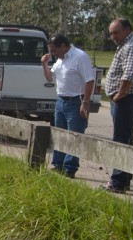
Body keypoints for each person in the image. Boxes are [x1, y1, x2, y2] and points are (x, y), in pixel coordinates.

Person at [102, 18, 133, 193]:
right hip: (126, 100)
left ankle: (118, 182)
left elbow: (129, 75)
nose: (113, 36)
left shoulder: (131, 47)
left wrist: (118, 95)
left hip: (127, 100)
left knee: (121, 140)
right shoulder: (127, 45)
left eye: (116, 32)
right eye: (111, 33)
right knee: (127, 139)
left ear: (128, 30)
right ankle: (125, 178)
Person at [41, 34, 96, 178]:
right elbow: (49, 77)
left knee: (74, 136)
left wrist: (85, 102)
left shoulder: (80, 57)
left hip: (76, 101)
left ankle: (70, 168)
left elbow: (90, 81)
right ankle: (58, 164)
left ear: (64, 46)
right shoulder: (60, 60)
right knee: (59, 134)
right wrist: (44, 65)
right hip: (61, 101)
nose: (52, 53)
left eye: (54, 50)